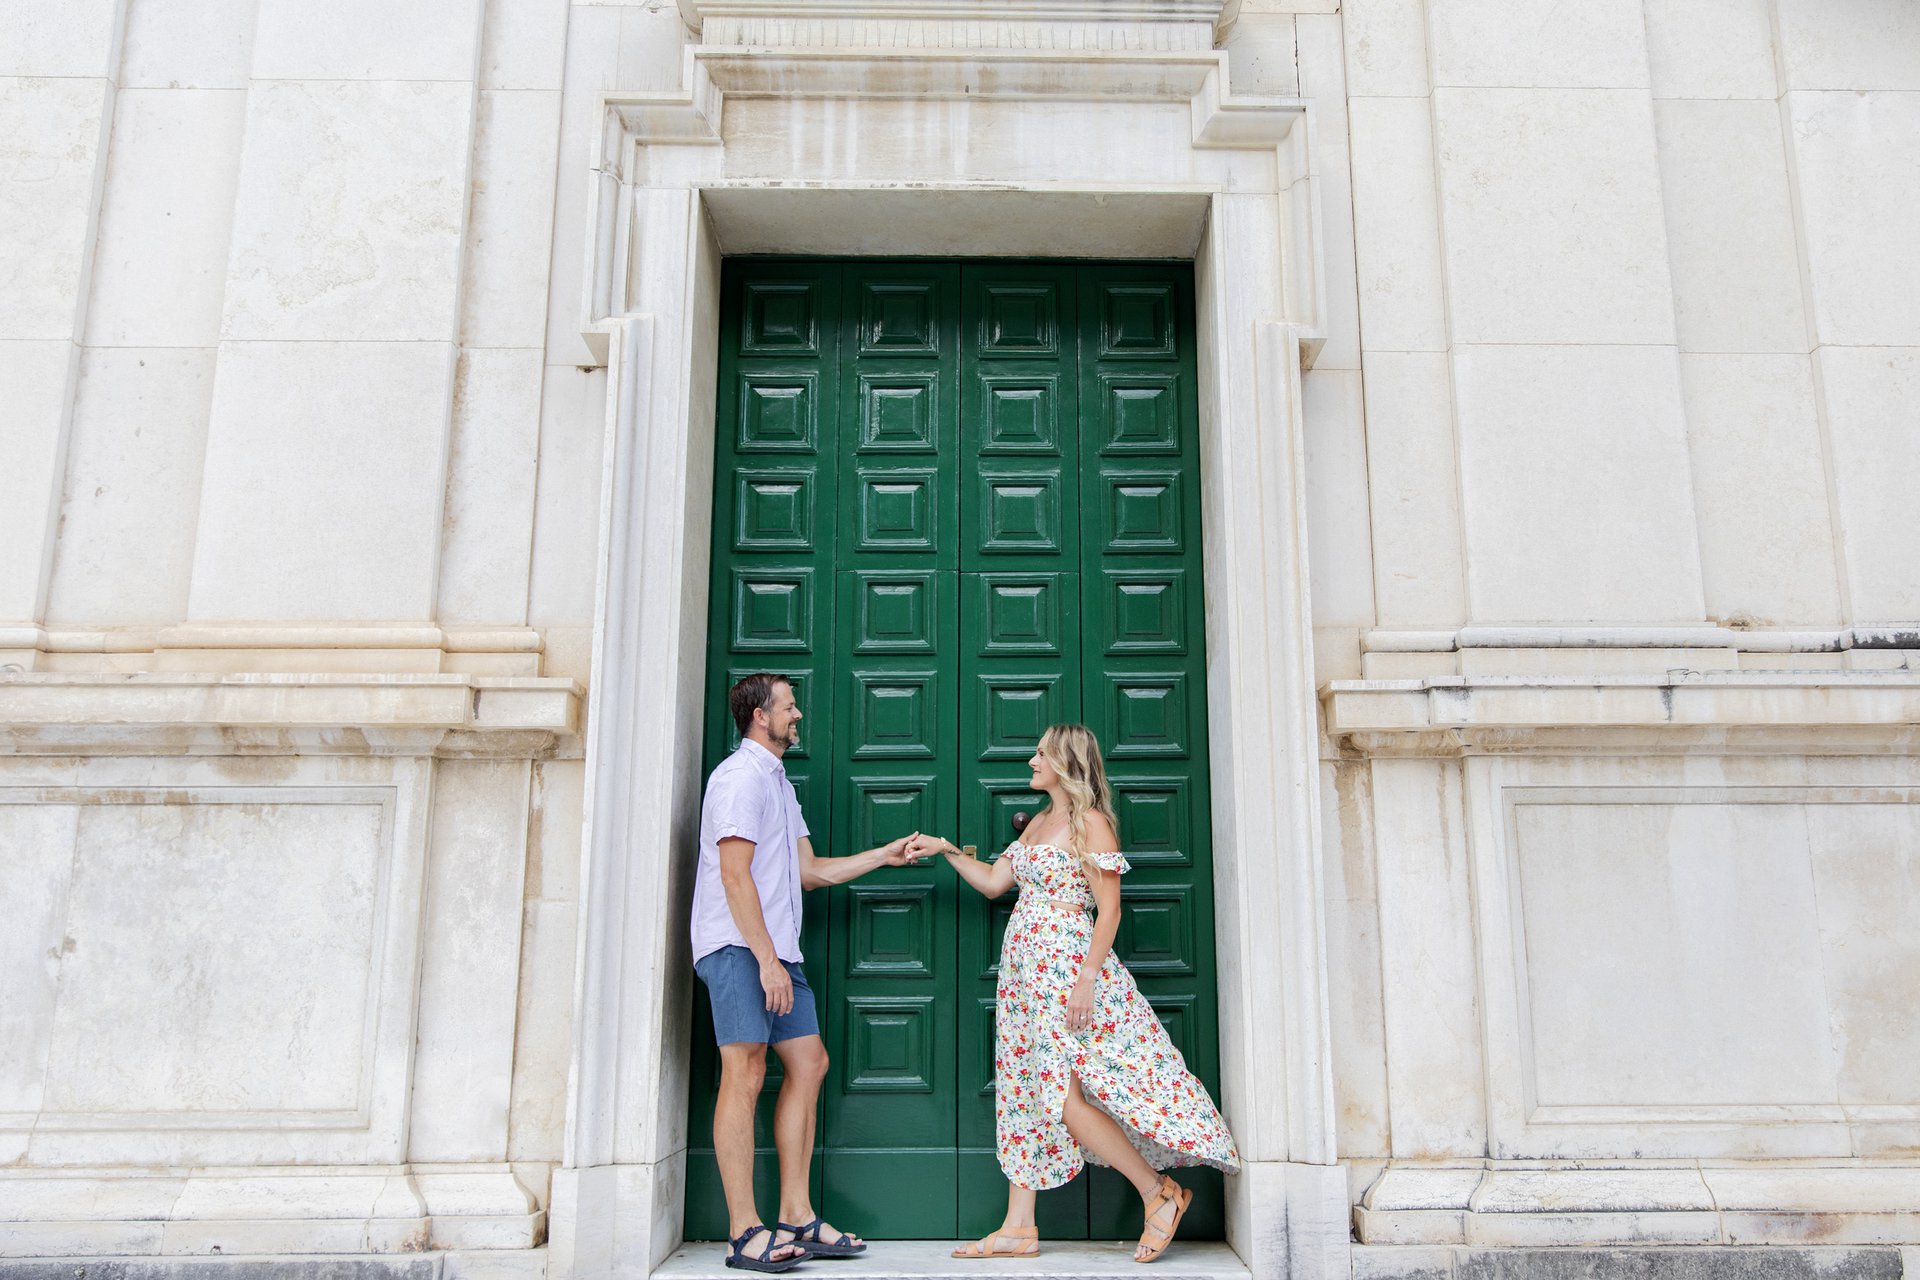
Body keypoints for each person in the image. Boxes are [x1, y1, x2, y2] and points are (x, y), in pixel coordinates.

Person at [909, 724, 1240, 1264]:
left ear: (1065, 763)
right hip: (1024, 978)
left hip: (1068, 973)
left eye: (1041, 752)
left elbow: (1109, 910)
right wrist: (946, 849)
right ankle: (1018, 1226)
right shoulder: (1039, 822)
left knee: (1064, 1100)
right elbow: (994, 884)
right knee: (1025, 1089)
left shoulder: (1092, 823)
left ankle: (1158, 1192)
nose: (1032, 759)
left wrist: (1086, 980)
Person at [692, 672, 929, 1272]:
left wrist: (883, 856)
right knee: (745, 1072)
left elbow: (809, 872)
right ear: (759, 715)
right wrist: (766, 960)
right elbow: (733, 874)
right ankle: (744, 1232)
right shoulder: (740, 778)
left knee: (810, 1062)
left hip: (776, 953)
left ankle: (796, 1215)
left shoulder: (778, 782)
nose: (797, 715)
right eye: (789, 706)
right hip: (740, 948)